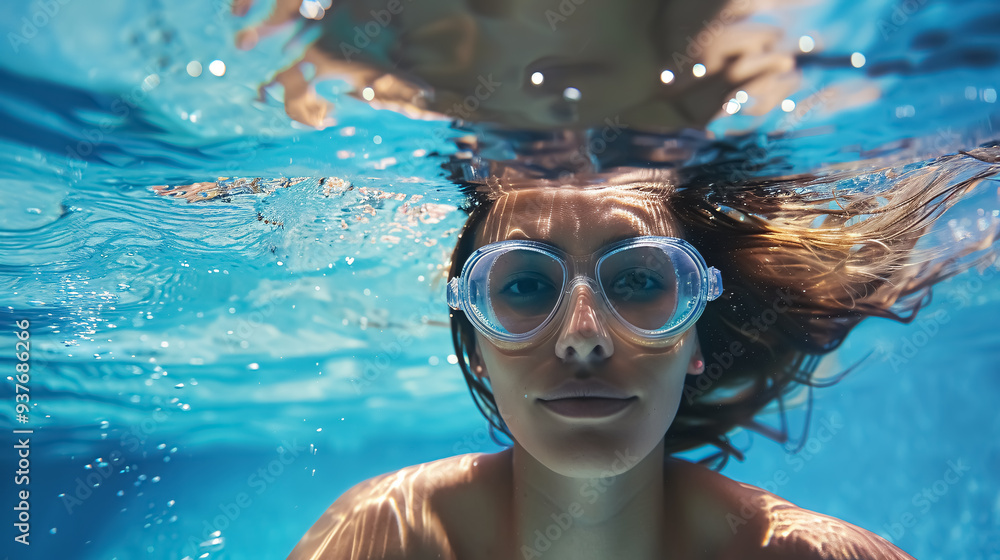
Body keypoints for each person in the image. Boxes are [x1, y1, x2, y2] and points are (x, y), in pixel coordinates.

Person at [283, 142, 1000, 559]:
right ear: (474, 344)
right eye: (525, 285)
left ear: (696, 339)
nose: (583, 333)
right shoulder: (389, 535)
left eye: (639, 281)